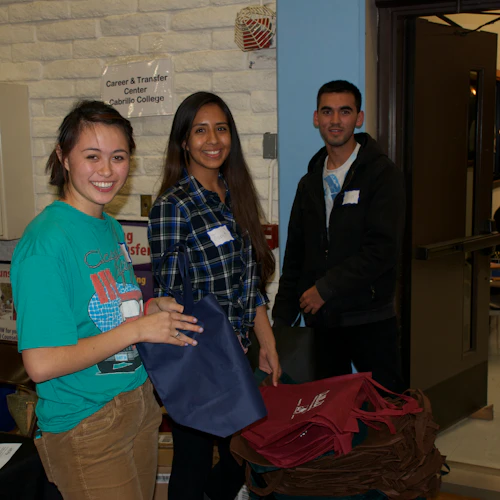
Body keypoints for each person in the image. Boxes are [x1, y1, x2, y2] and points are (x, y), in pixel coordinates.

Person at [11, 100, 203, 500]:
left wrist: (150, 311)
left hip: (136, 403)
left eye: (118, 157)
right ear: (63, 157)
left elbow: (107, 317)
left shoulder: (109, 225)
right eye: (92, 156)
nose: (106, 170)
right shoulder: (45, 242)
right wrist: (138, 328)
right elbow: (41, 363)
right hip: (86, 423)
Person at [148, 91, 281, 500]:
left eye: (221, 129)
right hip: (200, 355)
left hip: (236, 351)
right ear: (184, 142)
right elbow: (168, 296)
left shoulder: (233, 193)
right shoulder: (174, 206)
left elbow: (248, 280)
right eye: (200, 130)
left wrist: (266, 340)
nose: (213, 139)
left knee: (242, 454)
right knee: (193, 459)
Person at [272, 80, 405, 392]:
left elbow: (382, 250)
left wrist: (326, 288)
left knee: (389, 410)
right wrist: (280, 323)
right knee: (329, 414)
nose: (335, 120)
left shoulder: (382, 175)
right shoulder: (309, 183)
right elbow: (295, 256)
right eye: (327, 112)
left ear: (358, 118)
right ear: (316, 118)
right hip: (321, 324)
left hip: (370, 319)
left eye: (344, 112)